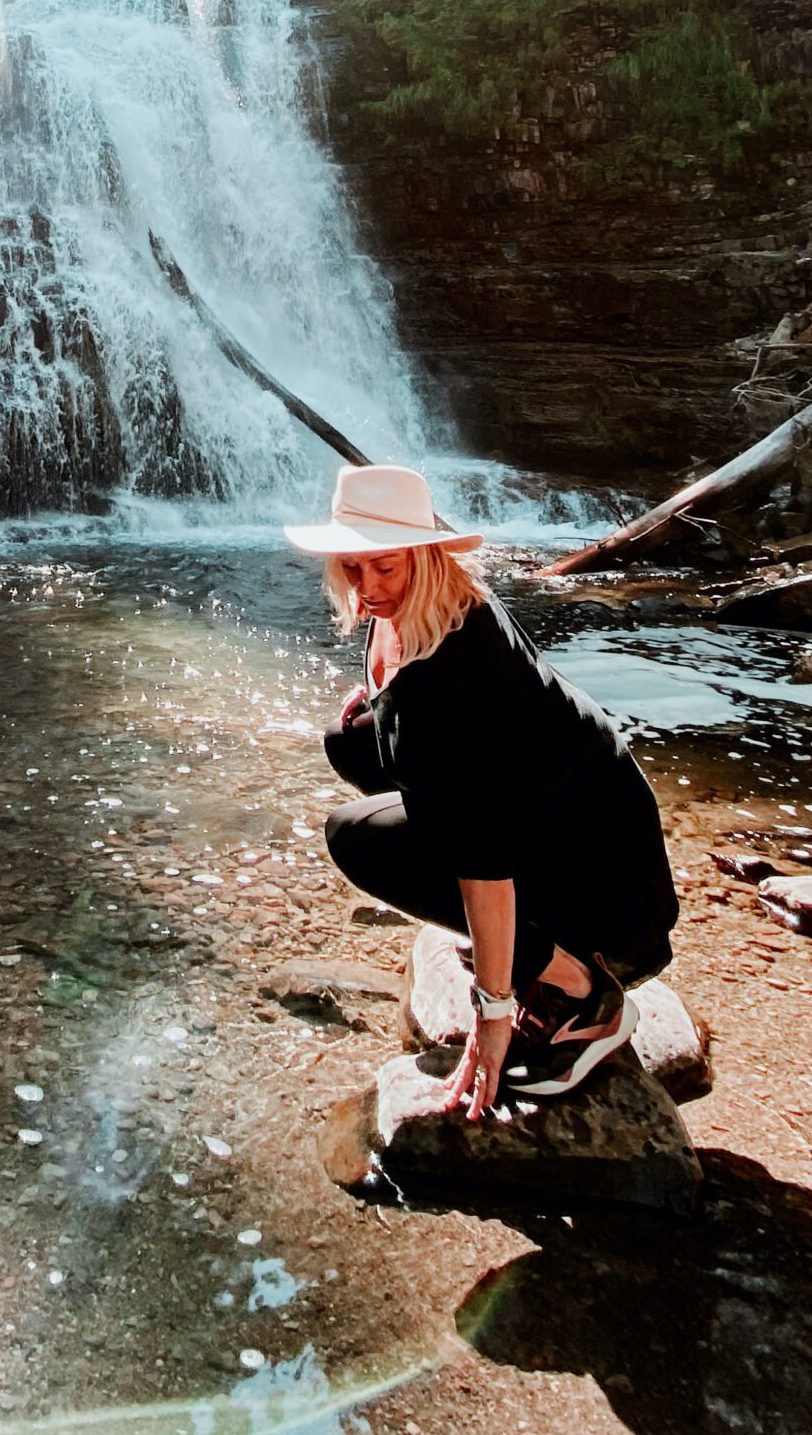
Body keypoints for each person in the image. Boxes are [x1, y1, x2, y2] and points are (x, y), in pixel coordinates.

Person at [285, 462, 679, 1118]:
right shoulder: (441, 602)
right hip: (565, 811)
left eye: (385, 567)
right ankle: (531, 940)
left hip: (612, 895)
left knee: (354, 838)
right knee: (349, 735)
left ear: (425, 554)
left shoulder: (452, 681)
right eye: (354, 568)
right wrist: (378, 706)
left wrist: (493, 1011)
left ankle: (582, 991)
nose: (369, 586)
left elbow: (484, 866)